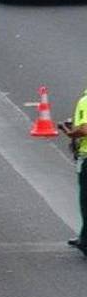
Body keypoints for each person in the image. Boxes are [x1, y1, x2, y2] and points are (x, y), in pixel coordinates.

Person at [61, 88, 87, 255]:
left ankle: (85, 241)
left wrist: (71, 132)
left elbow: (85, 129)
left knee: (86, 201)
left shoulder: (85, 101)